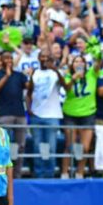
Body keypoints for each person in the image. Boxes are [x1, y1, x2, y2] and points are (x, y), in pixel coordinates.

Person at [26, 51, 65, 179]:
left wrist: (56, 70)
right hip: (36, 115)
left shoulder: (55, 73)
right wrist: (29, 107)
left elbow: (65, 86)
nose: (44, 59)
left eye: (47, 57)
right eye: (42, 57)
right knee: (38, 147)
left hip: (52, 115)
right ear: (38, 58)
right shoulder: (35, 73)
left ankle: (50, 174)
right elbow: (29, 92)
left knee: (51, 147)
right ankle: (39, 174)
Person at [0, 51, 28, 178]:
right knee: (3, 146)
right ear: (1, 60)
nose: (9, 60)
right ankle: (1, 173)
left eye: (11, 58)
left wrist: (31, 77)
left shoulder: (19, 75)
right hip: (3, 114)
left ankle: (17, 174)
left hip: (20, 114)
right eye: (6, 58)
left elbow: (29, 88)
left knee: (20, 146)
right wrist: (6, 76)